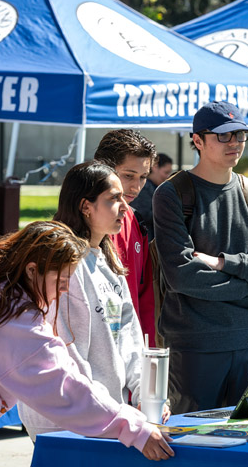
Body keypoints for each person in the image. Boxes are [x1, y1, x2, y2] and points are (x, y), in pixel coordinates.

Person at [0, 221, 173, 460]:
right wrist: (135, 430)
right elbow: (65, 386)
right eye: (61, 283)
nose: (63, 291)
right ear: (31, 270)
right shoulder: (14, 320)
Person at [153, 101, 248, 414]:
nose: (235, 143)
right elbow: (183, 276)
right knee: (196, 446)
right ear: (198, 140)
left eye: (240, 134)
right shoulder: (172, 194)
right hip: (196, 348)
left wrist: (226, 263)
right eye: (224, 136)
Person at [19, 161, 169, 436]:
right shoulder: (63, 266)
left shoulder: (109, 261)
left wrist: (142, 390)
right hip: (66, 420)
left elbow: (130, 338)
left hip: (105, 414)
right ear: (85, 206)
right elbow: (66, 353)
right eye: (114, 198)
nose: (125, 206)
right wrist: (110, 414)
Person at [91, 130, 158, 345]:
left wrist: (147, 349)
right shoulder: (77, 224)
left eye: (143, 177)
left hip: (132, 352)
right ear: (102, 168)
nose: (136, 187)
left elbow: (145, 297)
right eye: (128, 175)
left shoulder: (137, 222)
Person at [131, 152, 173, 241]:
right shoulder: (145, 188)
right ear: (155, 167)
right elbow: (142, 214)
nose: (167, 177)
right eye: (166, 172)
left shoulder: (154, 187)